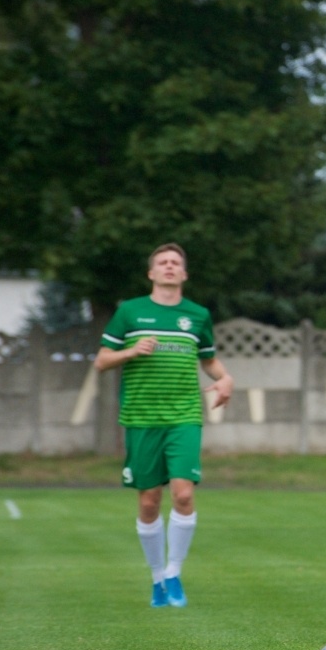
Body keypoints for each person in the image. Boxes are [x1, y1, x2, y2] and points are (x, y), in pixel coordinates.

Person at [95, 244, 233, 607]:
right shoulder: (130, 312)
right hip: (141, 417)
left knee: (184, 494)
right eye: (162, 262)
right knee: (150, 501)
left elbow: (210, 361)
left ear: (184, 274)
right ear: (151, 273)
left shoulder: (197, 315)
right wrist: (131, 351)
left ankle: (174, 573)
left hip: (185, 415)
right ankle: (156, 578)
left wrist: (225, 380)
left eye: (176, 263)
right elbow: (102, 361)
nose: (170, 267)